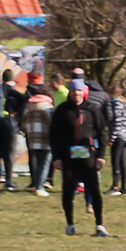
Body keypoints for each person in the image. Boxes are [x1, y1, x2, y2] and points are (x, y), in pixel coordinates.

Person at [49, 80, 113, 236]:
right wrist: (56, 157)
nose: (76, 94)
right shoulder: (62, 110)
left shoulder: (92, 109)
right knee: (68, 189)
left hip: (87, 155)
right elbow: (53, 134)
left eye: (79, 91)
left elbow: (102, 132)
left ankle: (99, 225)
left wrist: (101, 156)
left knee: (94, 189)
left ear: (83, 92)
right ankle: (70, 224)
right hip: (67, 155)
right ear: (69, 92)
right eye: (73, 91)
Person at [24, 74, 55, 196]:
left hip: (32, 137)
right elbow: (51, 122)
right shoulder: (48, 107)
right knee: (45, 161)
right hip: (45, 137)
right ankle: (40, 186)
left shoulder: (28, 105)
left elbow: (23, 121)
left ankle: (35, 183)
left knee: (34, 161)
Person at [105, 81, 126, 196]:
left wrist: (112, 138)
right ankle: (123, 187)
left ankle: (115, 186)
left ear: (112, 94)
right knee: (122, 162)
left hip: (119, 136)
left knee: (116, 162)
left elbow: (117, 123)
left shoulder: (116, 105)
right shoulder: (121, 104)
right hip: (125, 136)